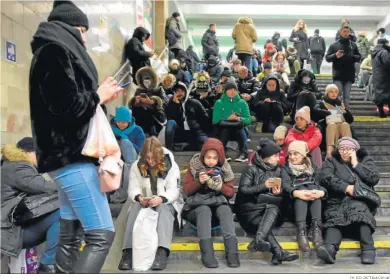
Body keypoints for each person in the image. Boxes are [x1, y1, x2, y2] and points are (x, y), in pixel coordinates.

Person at [29, 0, 123, 273]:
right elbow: (65, 107)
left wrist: (99, 97)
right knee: (101, 234)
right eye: (83, 31)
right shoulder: (54, 52)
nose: (85, 38)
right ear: (73, 28)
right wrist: (98, 95)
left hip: (66, 158)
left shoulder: (51, 51)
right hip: (72, 158)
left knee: (71, 232)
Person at [118, 137, 183, 271]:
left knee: (163, 208)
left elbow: (173, 191)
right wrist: (139, 197)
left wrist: (161, 198)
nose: (150, 161)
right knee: (134, 208)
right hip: (146, 201)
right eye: (147, 158)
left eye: (153, 158)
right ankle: (128, 251)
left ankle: (162, 251)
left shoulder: (171, 165)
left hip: (167, 201)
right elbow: (133, 188)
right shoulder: (137, 166)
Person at [235, 139, 299, 265]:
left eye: (278, 155)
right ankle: (277, 251)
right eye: (275, 156)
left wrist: (278, 192)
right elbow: (243, 190)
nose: (278, 158)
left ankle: (263, 243)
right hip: (249, 210)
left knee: (270, 213)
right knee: (265, 219)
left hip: (268, 211)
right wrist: (263, 186)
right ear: (265, 158)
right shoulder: (251, 169)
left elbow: (285, 190)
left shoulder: (280, 170)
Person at [1, 138, 60, 274]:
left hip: (10, 227)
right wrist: (69, 183)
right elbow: (45, 187)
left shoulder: (10, 165)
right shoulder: (19, 167)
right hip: (9, 231)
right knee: (62, 213)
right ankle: (48, 264)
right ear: (29, 152)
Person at [318, 137, 380, 265]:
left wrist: (356, 163)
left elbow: (373, 178)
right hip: (337, 200)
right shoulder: (332, 161)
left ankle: (368, 249)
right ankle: (330, 249)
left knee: (360, 212)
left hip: (359, 199)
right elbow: (326, 177)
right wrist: (346, 187)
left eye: (349, 149)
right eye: (342, 149)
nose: (345, 152)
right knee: (334, 218)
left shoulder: (364, 160)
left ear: (355, 150)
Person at [182, 138, 240, 268]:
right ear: (203, 156)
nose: (211, 161)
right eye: (208, 157)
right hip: (196, 208)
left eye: (215, 158)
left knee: (225, 209)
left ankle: (232, 253)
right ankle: (207, 254)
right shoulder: (194, 166)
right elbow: (186, 191)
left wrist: (220, 187)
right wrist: (199, 182)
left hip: (216, 206)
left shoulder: (225, 168)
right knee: (204, 210)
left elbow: (230, 193)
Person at [281, 140, 327, 252]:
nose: (292, 157)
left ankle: (316, 229)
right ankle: (301, 231)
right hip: (294, 208)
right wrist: (296, 193)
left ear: (303, 155)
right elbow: (285, 186)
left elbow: (324, 185)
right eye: (290, 154)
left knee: (314, 190)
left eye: (296, 154)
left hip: (313, 207)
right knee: (300, 192)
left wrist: (321, 192)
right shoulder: (285, 169)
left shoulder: (314, 168)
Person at [212, 80, 252, 162]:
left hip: (238, 129)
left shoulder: (242, 102)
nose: (232, 92)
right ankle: (222, 153)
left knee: (240, 128)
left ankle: (244, 153)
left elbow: (248, 120)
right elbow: (215, 120)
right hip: (223, 129)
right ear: (225, 91)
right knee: (224, 130)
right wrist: (228, 118)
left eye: (234, 90)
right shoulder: (219, 102)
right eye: (230, 89)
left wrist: (238, 118)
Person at [165, 82, 211, 151]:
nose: (180, 93)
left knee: (208, 147)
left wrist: (204, 133)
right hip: (181, 134)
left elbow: (205, 119)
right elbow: (173, 121)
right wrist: (176, 106)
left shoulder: (194, 103)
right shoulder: (170, 105)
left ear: (186, 92)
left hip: (196, 132)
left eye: (182, 91)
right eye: (177, 91)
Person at [326, 25, 361, 110]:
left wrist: (352, 56)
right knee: (337, 95)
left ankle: (346, 113)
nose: (346, 33)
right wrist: (336, 55)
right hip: (338, 74)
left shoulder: (353, 45)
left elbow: (359, 56)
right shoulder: (334, 45)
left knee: (347, 96)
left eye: (347, 31)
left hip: (349, 74)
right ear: (340, 32)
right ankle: (338, 112)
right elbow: (327, 58)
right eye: (344, 31)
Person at [316, 84, 353, 158]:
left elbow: (350, 120)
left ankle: (348, 148)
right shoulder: (321, 104)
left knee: (345, 124)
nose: (334, 94)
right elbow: (316, 116)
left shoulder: (340, 104)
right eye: (331, 92)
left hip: (341, 127)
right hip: (328, 127)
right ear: (327, 93)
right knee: (332, 124)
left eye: (336, 92)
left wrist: (344, 111)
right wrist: (325, 113)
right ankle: (329, 150)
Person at [129, 67, 167, 137]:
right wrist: (135, 101)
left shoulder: (159, 89)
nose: (146, 81)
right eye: (144, 79)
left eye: (148, 79)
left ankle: (150, 134)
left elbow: (165, 102)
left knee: (148, 114)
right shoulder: (139, 90)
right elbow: (132, 105)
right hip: (140, 116)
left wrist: (153, 101)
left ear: (153, 79)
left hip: (155, 116)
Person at [372, 38, 390, 118]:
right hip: (385, 75)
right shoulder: (384, 52)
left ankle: (381, 112)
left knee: (379, 94)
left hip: (377, 76)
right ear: (385, 43)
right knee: (388, 93)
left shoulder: (374, 52)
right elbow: (387, 63)